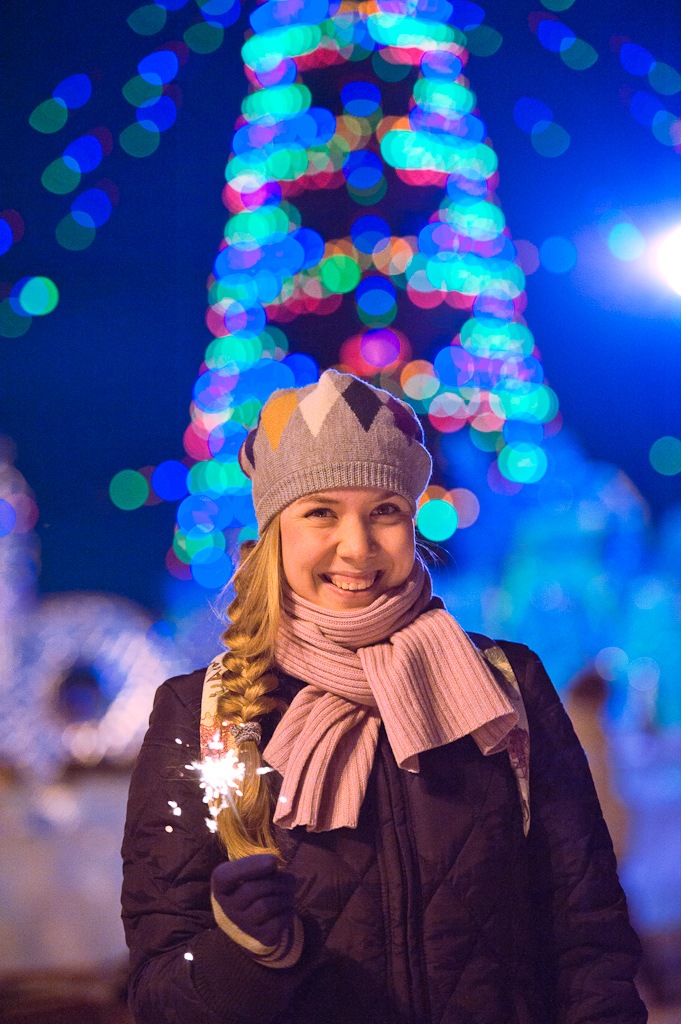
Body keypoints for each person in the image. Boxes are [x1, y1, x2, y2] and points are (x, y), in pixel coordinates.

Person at [121, 369, 647, 1024]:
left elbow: (586, 932)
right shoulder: (202, 714)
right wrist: (244, 952)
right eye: (320, 512)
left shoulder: (504, 685)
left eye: (385, 512)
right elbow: (160, 991)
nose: (358, 546)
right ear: (275, 530)